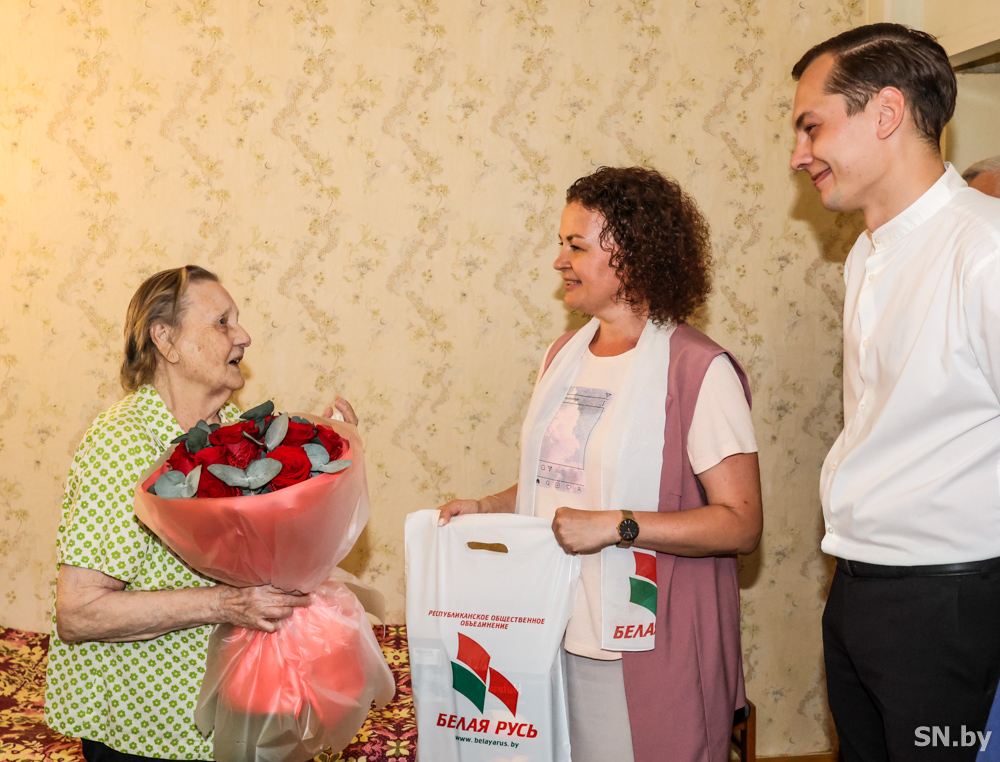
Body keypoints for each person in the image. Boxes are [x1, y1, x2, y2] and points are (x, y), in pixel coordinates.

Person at [439, 166, 763, 762]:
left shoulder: (699, 370)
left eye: (577, 246)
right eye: (561, 244)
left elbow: (741, 524)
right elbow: (562, 480)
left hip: (651, 640)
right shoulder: (562, 356)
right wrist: (484, 507)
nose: (559, 261)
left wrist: (618, 526)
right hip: (554, 624)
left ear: (633, 257)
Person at [45, 265, 359, 762]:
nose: (244, 335)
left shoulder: (239, 432)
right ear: (166, 340)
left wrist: (323, 463)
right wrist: (224, 604)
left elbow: (271, 557)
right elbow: (79, 612)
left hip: (235, 717)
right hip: (146, 733)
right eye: (222, 322)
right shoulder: (122, 443)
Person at [790, 24, 1000, 762]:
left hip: (946, 601)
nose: (798, 154)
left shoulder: (986, 249)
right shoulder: (866, 253)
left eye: (812, 126)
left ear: (885, 113)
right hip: (858, 585)